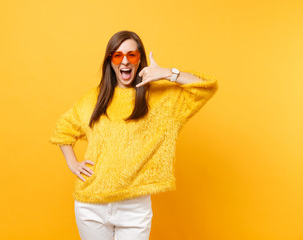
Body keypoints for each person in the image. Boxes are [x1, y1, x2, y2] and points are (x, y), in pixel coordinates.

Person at [49, 30, 218, 240]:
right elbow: (63, 130)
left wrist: (167, 73)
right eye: (118, 55)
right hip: (91, 204)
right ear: (110, 61)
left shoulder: (160, 98)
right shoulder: (94, 99)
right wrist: (73, 163)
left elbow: (206, 87)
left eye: (132, 55)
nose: (125, 61)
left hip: (134, 207)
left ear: (140, 59)